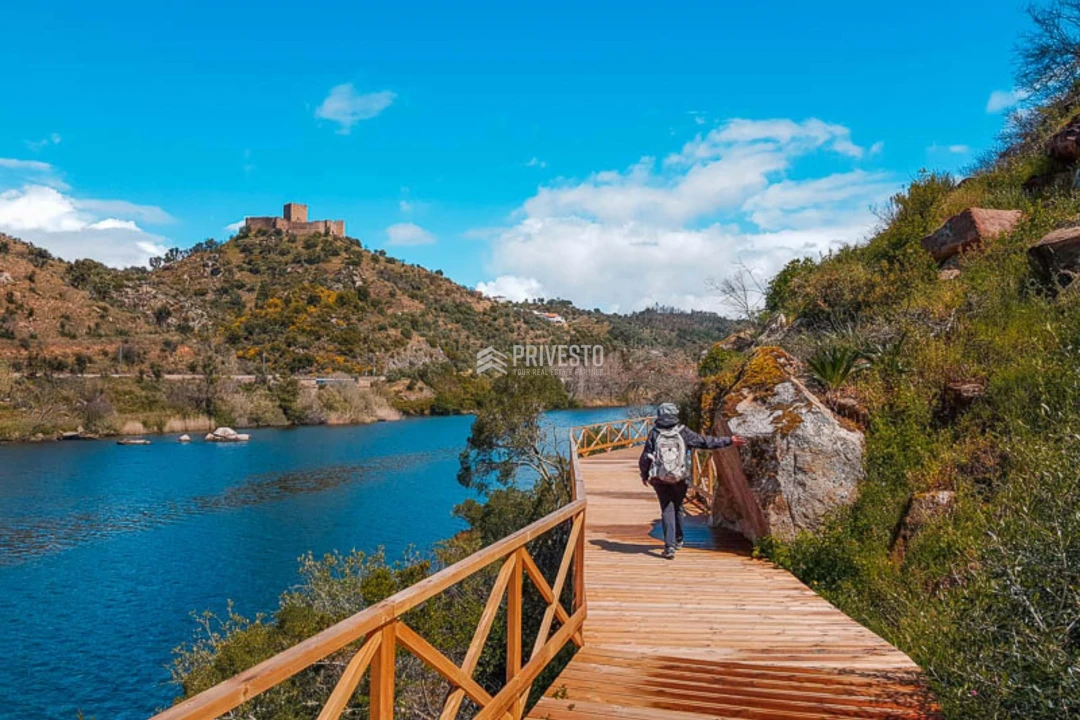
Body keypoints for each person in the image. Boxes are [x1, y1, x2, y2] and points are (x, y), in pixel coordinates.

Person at [638, 403, 746, 559]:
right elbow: (705, 442)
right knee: (678, 506)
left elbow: (645, 457)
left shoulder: (654, 433)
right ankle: (679, 539)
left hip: (660, 479)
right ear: (676, 414)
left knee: (667, 509)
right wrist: (729, 440)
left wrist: (644, 475)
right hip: (680, 477)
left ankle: (669, 547)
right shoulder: (683, 431)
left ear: (659, 415)